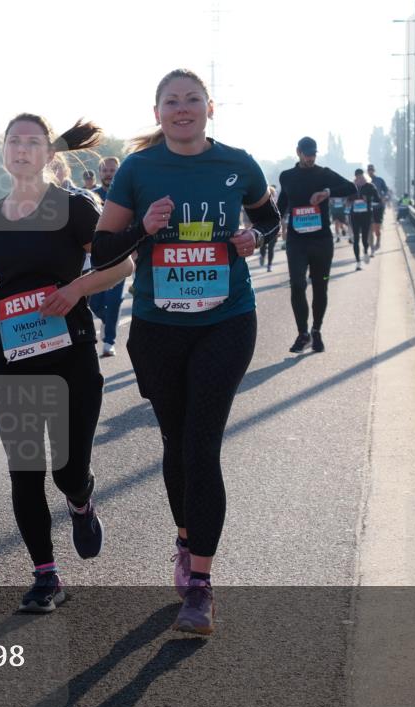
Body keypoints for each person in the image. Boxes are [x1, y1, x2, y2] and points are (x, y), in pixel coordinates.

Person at [90, 69, 280, 635]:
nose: (182, 109)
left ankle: (200, 585)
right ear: (157, 113)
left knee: (201, 444)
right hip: (158, 329)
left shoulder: (238, 164)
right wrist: (142, 228)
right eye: (171, 102)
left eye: (191, 100)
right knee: (177, 444)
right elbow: (102, 251)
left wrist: (254, 238)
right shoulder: (138, 170)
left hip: (226, 321)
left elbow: (269, 220)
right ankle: (185, 535)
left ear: (209, 108)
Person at [0, 113, 134, 613]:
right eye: (14, 142)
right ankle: (46, 575)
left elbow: (123, 262)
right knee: (25, 470)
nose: (22, 149)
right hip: (12, 358)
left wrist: (75, 289)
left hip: (71, 356)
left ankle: (81, 499)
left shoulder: (73, 207)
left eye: (33, 142)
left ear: (49, 153)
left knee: (67, 469)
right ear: (4, 152)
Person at [276, 136, 356, 353]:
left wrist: (327, 193)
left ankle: (316, 330)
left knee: (320, 286)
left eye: (313, 154)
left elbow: (351, 188)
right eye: (307, 154)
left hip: (321, 241)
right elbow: (281, 206)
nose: (310, 158)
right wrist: (267, 227)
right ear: (298, 152)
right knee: (297, 285)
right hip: (297, 242)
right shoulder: (287, 176)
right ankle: (303, 333)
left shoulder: (323, 174)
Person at [88, 156, 126, 356]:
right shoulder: (91, 196)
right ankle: (106, 320)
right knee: (94, 303)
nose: (108, 174)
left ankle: (109, 341)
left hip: (119, 257)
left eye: (112, 170)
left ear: (118, 171)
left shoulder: (126, 193)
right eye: (105, 170)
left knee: (113, 301)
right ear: (100, 172)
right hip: (96, 259)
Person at [348, 168, 381, 270]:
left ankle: (366, 251)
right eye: (357, 178)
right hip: (355, 216)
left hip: (366, 215)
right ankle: (358, 262)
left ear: (364, 177)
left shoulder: (370, 186)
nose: (359, 179)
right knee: (356, 239)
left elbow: (377, 199)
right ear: (355, 178)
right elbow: (347, 200)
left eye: (361, 177)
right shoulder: (351, 187)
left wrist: (368, 199)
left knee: (364, 238)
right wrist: (351, 201)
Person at [367, 164, 388, 251]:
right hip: (369, 207)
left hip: (379, 207)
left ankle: (378, 241)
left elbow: (386, 190)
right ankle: (371, 243)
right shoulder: (366, 182)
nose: (370, 171)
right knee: (370, 227)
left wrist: (383, 197)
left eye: (372, 170)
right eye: (369, 170)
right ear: (367, 171)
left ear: (374, 171)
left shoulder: (379, 180)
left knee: (376, 227)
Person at [259, 185, 280, 271]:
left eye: (272, 194)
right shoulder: (259, 204)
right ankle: (262, 255)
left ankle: (269, 265)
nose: (271, 196)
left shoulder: (276, 205)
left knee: (271, 248)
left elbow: (279, 217)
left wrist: (279, 229)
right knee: (263, 246)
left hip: (274, 228)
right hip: (262, 228)